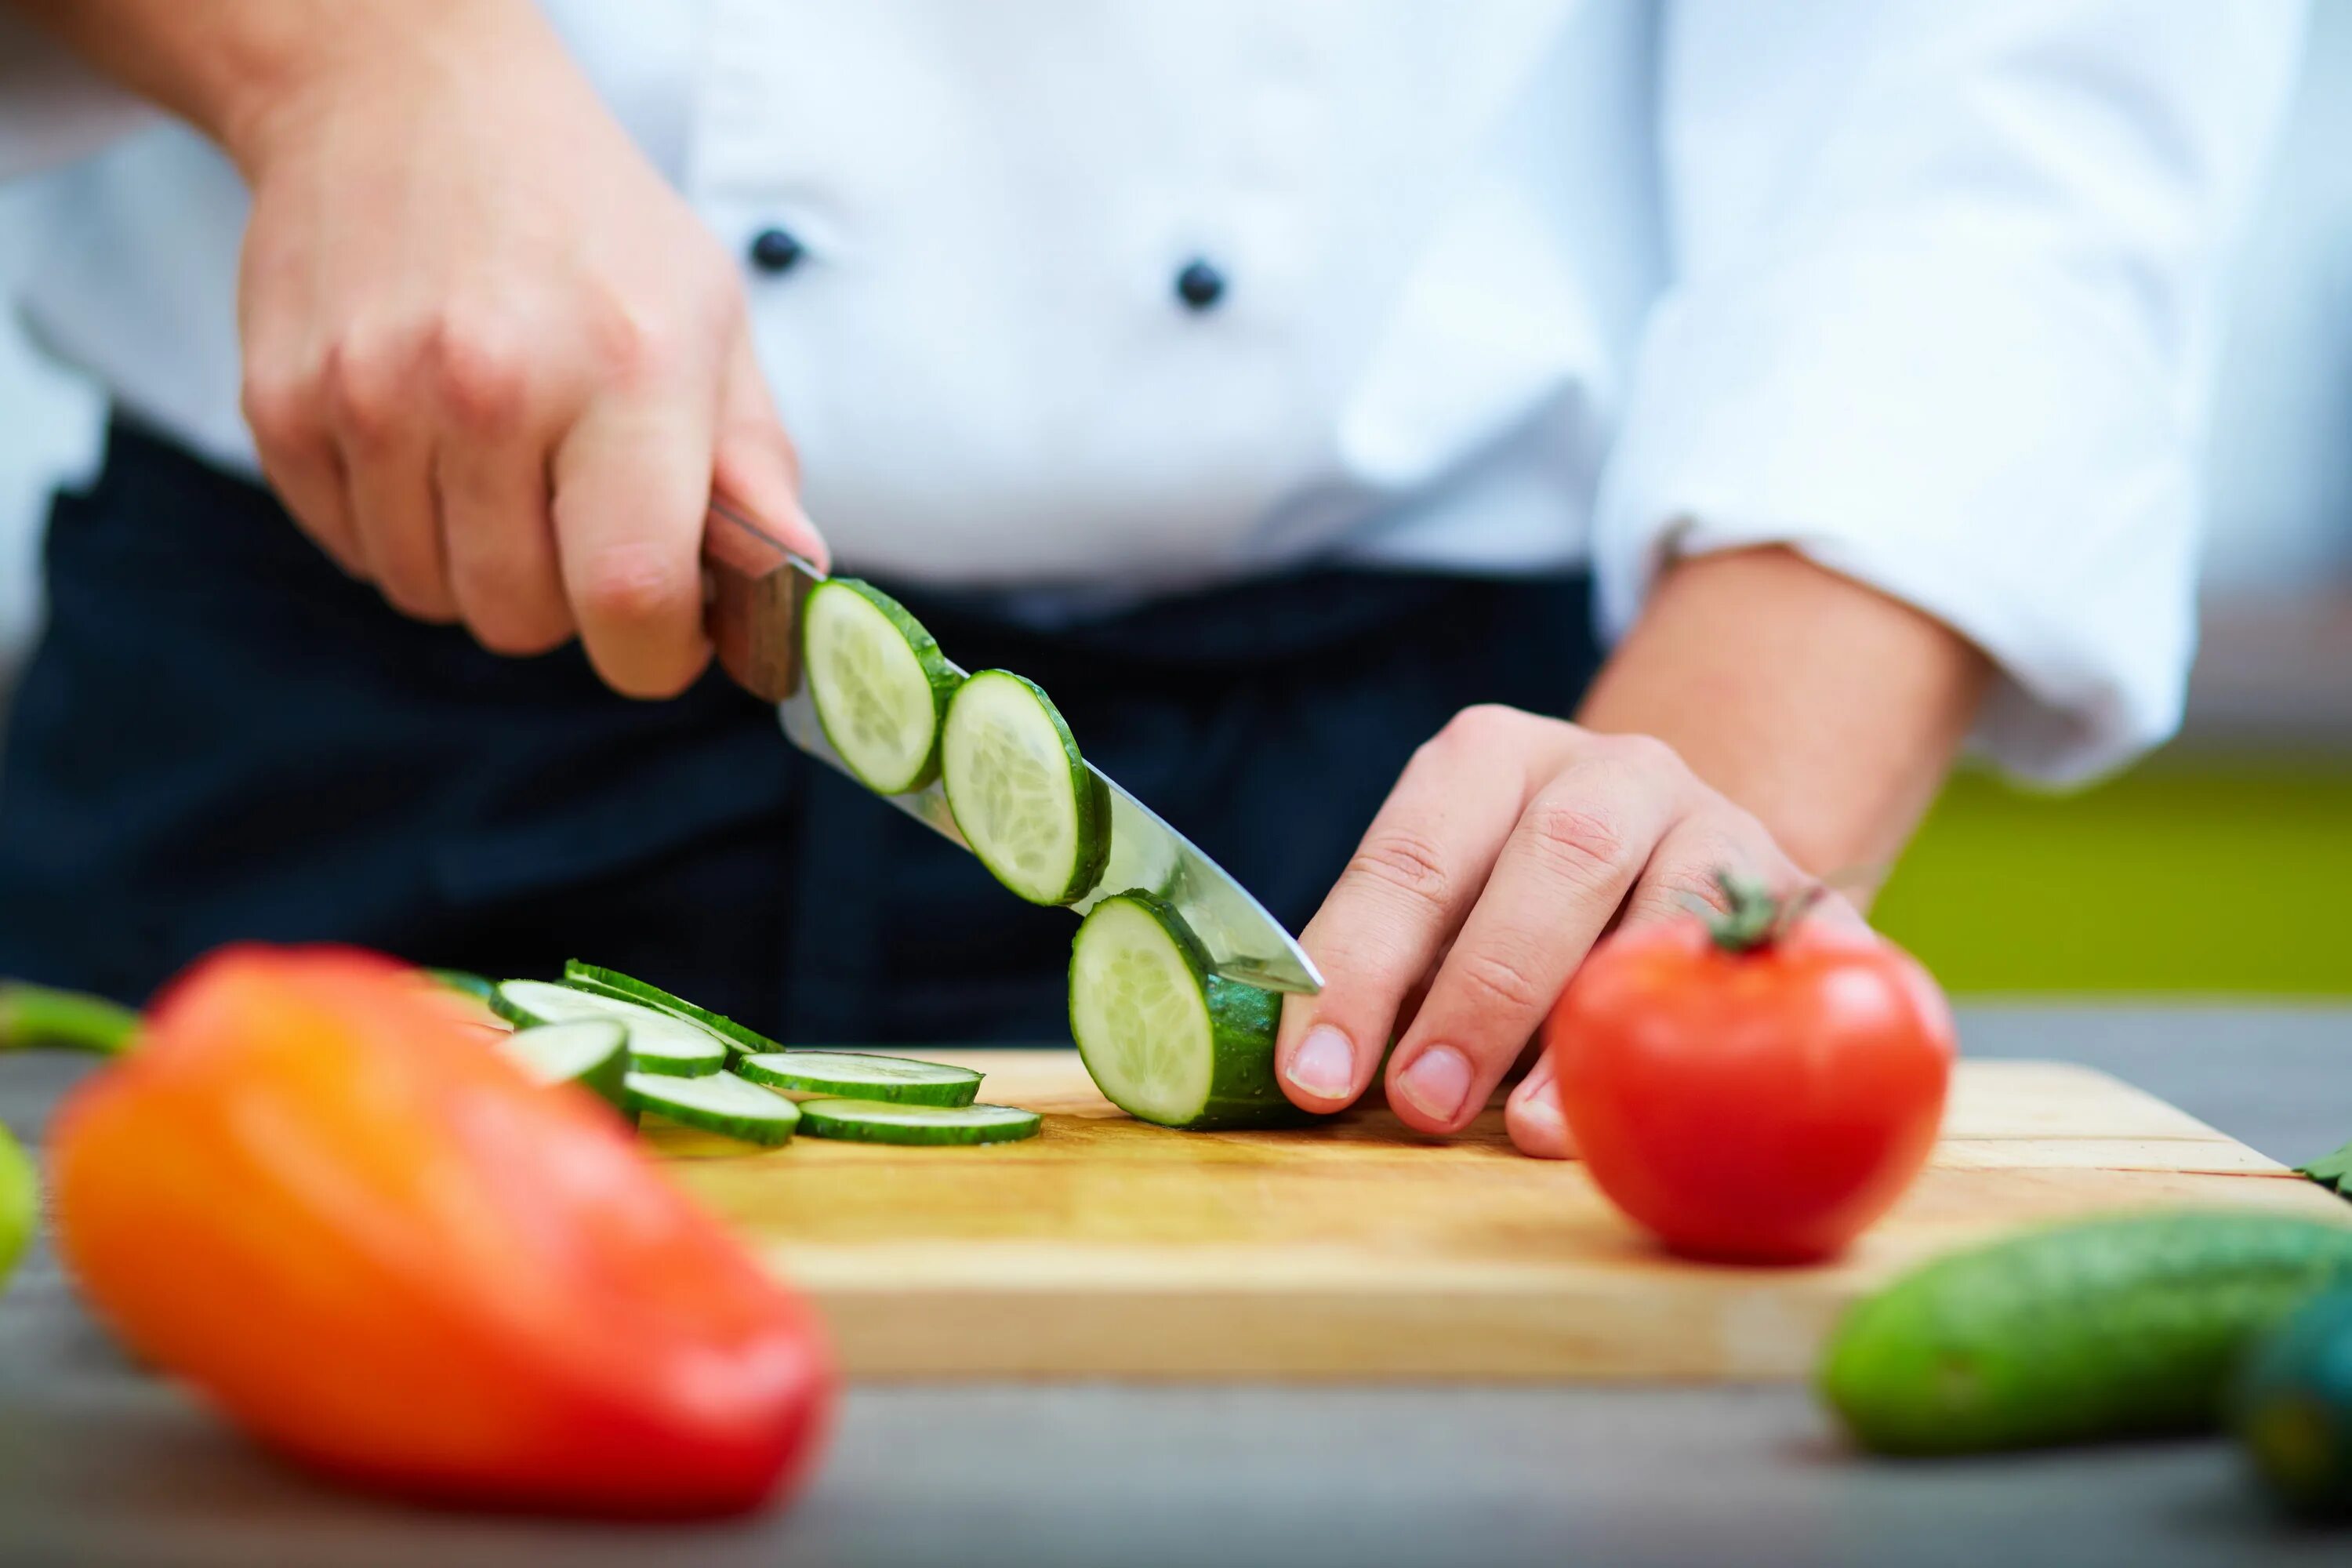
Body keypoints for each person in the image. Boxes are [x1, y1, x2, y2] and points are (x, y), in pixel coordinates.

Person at [0, 2, 2303, 1158]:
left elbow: (2003, 97)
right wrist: (333, 58)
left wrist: (1673, 827)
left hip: (1422, 820)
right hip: (338, 723)